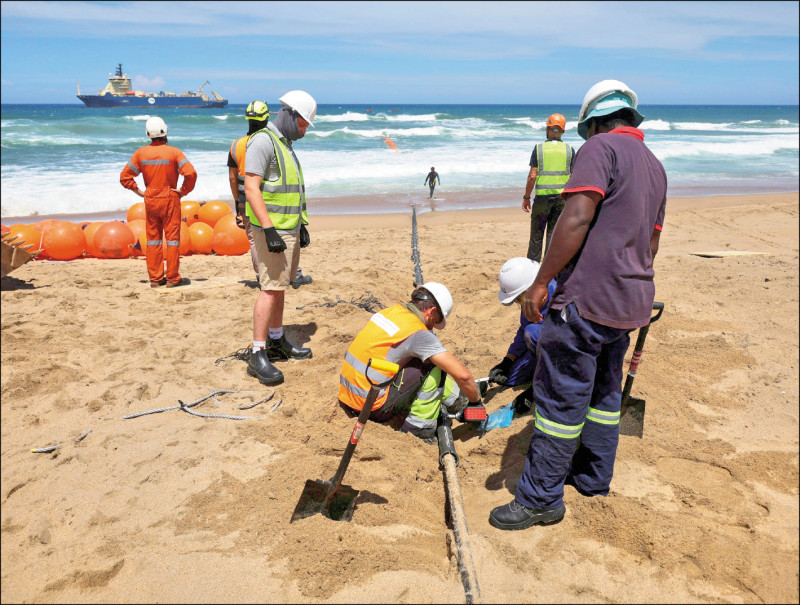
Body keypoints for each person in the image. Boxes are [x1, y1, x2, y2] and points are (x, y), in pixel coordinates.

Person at [489, 80, 667, 531]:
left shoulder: (600, 149)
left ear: (597, 123)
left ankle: (540, 499)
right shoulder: (655, 165)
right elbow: (651, 241)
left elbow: (577, 216)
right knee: (604, 395)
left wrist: (543, 280)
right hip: (630, 299)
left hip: (585, 300)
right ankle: (591, 477)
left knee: (560, 399)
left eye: (588, 129)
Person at [338, 282, 483, 441]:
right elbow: (463, 376)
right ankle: (419, 430)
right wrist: (475, 403)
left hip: (347, 397)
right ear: (432, 311)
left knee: (416, 358)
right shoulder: (417, 332)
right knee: (433, 364)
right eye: (435, 321)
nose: (432, 328)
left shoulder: (389, 312)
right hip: (370, 407)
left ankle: (458, 401)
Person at [244, 90, 317, 386]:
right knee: (269, 289)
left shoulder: (284, 144)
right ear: (291, 115)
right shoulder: (263, 141)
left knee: (281, 286)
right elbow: (251, 188)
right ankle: (257, 353)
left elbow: (289, 189)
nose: (305, 130)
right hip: (272, 231)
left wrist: (301, 224)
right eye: (304, 124)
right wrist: (269, 229)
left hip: (288, 229)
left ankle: (276, 341)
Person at [229, 101, 312, 289]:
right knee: (266, 251)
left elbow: (232, 178)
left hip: (247, 202)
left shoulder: (237, 144)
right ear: (266, 118)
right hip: (264, 208)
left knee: (254, 243)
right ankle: (269, 278)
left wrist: (237, 202)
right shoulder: (264, 141)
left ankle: (261, 276)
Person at [120, 116, 197, 288]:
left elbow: (125, 177)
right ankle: (172, 278)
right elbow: (190, 173)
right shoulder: (174, 152)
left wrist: (139, 191)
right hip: (170, 198)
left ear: (148, 134)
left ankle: (155, 279)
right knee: (172, 241)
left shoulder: (140, 153)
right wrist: (183, 191)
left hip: (151, 199)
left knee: (153, 240)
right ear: (165, 132)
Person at [487, 257, 557, 413]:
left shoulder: (559, 297)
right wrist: (507, 361)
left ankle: (547, 380)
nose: (521, 304)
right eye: (518, 300)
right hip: (542, 348)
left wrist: (534, 392)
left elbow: (567, 347)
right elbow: (522, 330)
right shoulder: (531, 302)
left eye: (521, 298)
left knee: (532, 333)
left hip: (564, 353)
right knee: (510, 379)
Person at [522, 114, 575, 262]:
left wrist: (526, 197)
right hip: (561, 200)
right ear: (563, 132)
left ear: (547, 129)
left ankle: (531, 270)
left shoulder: (539, 149)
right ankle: (549, 273)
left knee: (536, 236)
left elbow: (532, 176)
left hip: (542, 200)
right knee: (553, 235)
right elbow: (574, 176)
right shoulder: (570, 150)